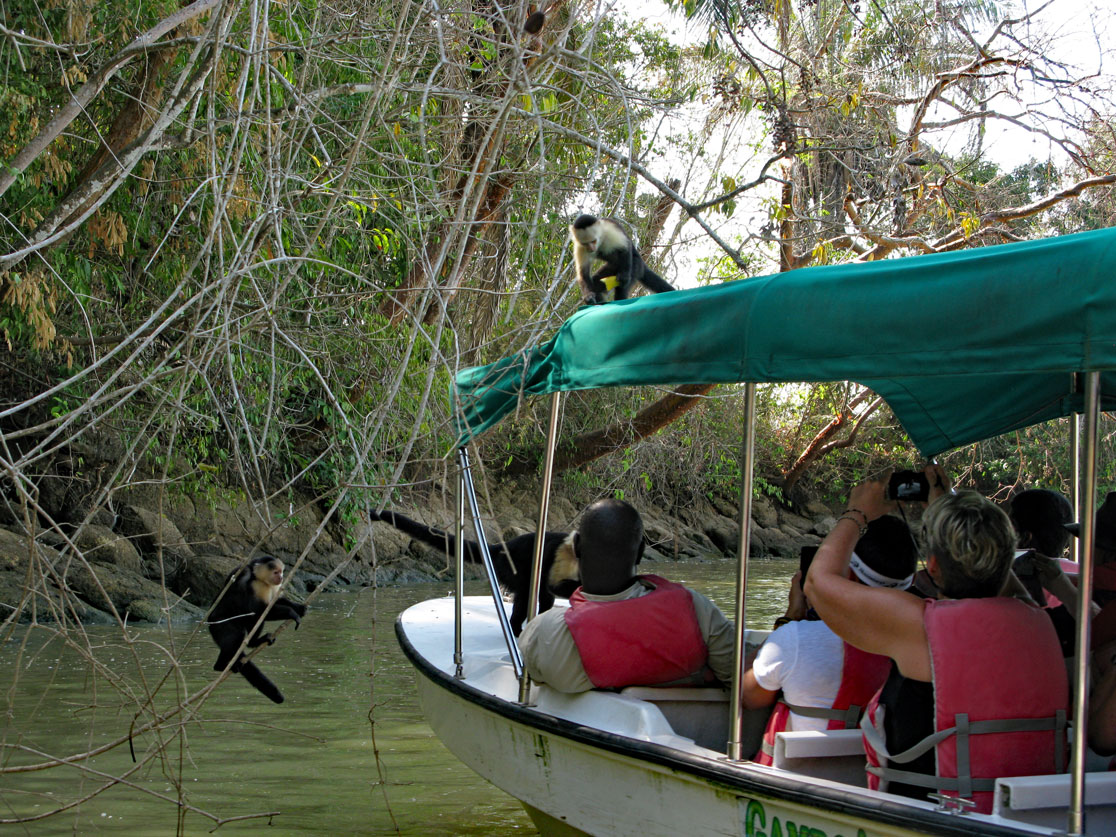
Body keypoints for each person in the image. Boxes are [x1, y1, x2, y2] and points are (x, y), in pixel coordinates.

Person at [804, 466, 1069, 814]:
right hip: (1025, 816)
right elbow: (998, 577)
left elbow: (817, 583)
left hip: (935, 814)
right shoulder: (1038, 620)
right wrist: (945, 507)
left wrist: (858, 512)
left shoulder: (920, 626)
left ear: (932, 566)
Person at [743, 517, 917, 765]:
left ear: (849, 575)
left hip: (794, 782)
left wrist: (790, 618)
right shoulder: (919, 645)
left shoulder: (795, 638)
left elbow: (747, 696)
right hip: (873, 782)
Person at [519, 498, 735, 693]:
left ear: (575, 547)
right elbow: (735, 675)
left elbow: (536, 675)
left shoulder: (549, 632)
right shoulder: (696, 609)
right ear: (641, 551)